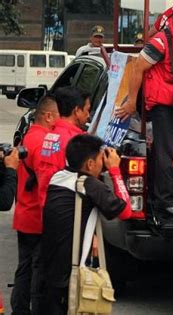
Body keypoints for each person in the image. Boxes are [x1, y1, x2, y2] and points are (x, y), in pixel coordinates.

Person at [115, 2, 173, 217]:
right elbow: (138, 68)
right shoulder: (160, 41)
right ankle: (165, 199)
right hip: (164, 105)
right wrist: (131, 101)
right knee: (167, 152)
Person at [40, 134, 132, 314]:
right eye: (100, 158)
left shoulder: (58, 177)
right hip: (70, 276)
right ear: (90, 164)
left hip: (49, 271)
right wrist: (114, 170)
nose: (102, 162)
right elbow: (126, 212)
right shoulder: (90, 185)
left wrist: (94, 236)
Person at [11, 95, 59, 315]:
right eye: (57, 116)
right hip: (37, 217)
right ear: (48, 116)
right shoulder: (46, 142)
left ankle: (19, 309)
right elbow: (45, 184)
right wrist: (52, 218)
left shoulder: (29, 136)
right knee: (38, 270)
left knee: (24, 267)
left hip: (24, 214)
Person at [37, 86, 90, 208]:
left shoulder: (50, 135)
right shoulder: (75, 141)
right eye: (87, 110)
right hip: (67, 209)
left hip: (47, 205)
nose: (88, 115)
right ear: (77, 111)